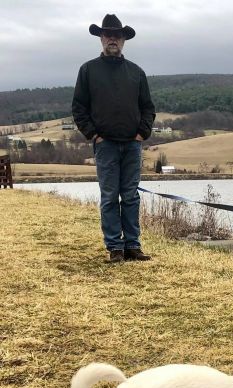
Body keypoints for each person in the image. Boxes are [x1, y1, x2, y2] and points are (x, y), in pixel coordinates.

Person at [72, 14, 156, 264]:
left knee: (130, 196)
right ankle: (115, 248)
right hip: (105, 144)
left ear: (123, 40)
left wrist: (142, 134)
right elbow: (79, 107)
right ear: (101, 38)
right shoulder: (88, 70)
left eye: (117, 35)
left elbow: (148, 108)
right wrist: (93, 135)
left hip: (132, 144)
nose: (112, 39)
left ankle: (132, 246)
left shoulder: (136, 72)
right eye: (108, 34)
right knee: (109, 197)